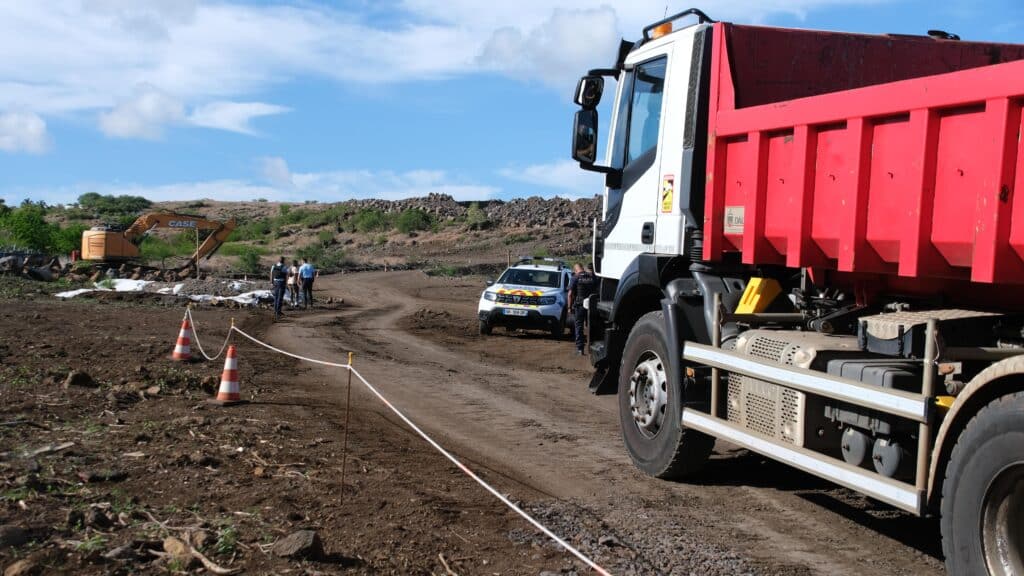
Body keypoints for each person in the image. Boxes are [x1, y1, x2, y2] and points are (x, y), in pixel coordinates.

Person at [567, 263, 597, 355]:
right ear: (582, 268)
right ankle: (593, 347)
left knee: (579, 326)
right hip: (591, 305)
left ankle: (580, 349)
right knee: (591, 327)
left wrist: (569, 307)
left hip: (580, 305)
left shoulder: (575, 278)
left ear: (575, 270)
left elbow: (570, 294)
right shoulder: (592, 277)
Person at [270, 256, 289, 321]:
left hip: (275, 282)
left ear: (278, 260)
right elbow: (287, 275)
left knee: (276, 297)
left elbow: (271, 274)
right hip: (281, 283)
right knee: (280, 297)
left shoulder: (274, 266)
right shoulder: (284, 267)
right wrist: (286, 284)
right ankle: (278, 312)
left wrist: (271, 283)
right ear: (283, 260)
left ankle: (275, 311)